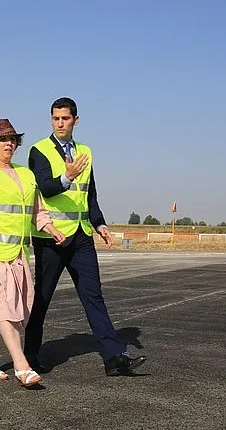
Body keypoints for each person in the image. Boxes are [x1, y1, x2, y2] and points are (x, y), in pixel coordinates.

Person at [24, 97, 146, 376]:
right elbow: (44, 187)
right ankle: (29, 356)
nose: (60, 123)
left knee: (94, 295)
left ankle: (114, 355)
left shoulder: (85, 152)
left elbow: (90, 194)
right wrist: (66, 178)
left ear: (75, 120)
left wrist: (99, 223)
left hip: (81, 238)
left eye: (65, 118)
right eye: (55, 118)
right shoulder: (39, 150)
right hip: (51, 239)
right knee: (41, 298)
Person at [0, 118, 66, 387]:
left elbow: (37, 210)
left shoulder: (26, 175)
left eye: (12, 139)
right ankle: (21, 364)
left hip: (16, 252)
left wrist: (49, 227)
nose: (9, 143)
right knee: (7, 303)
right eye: (2, 140)